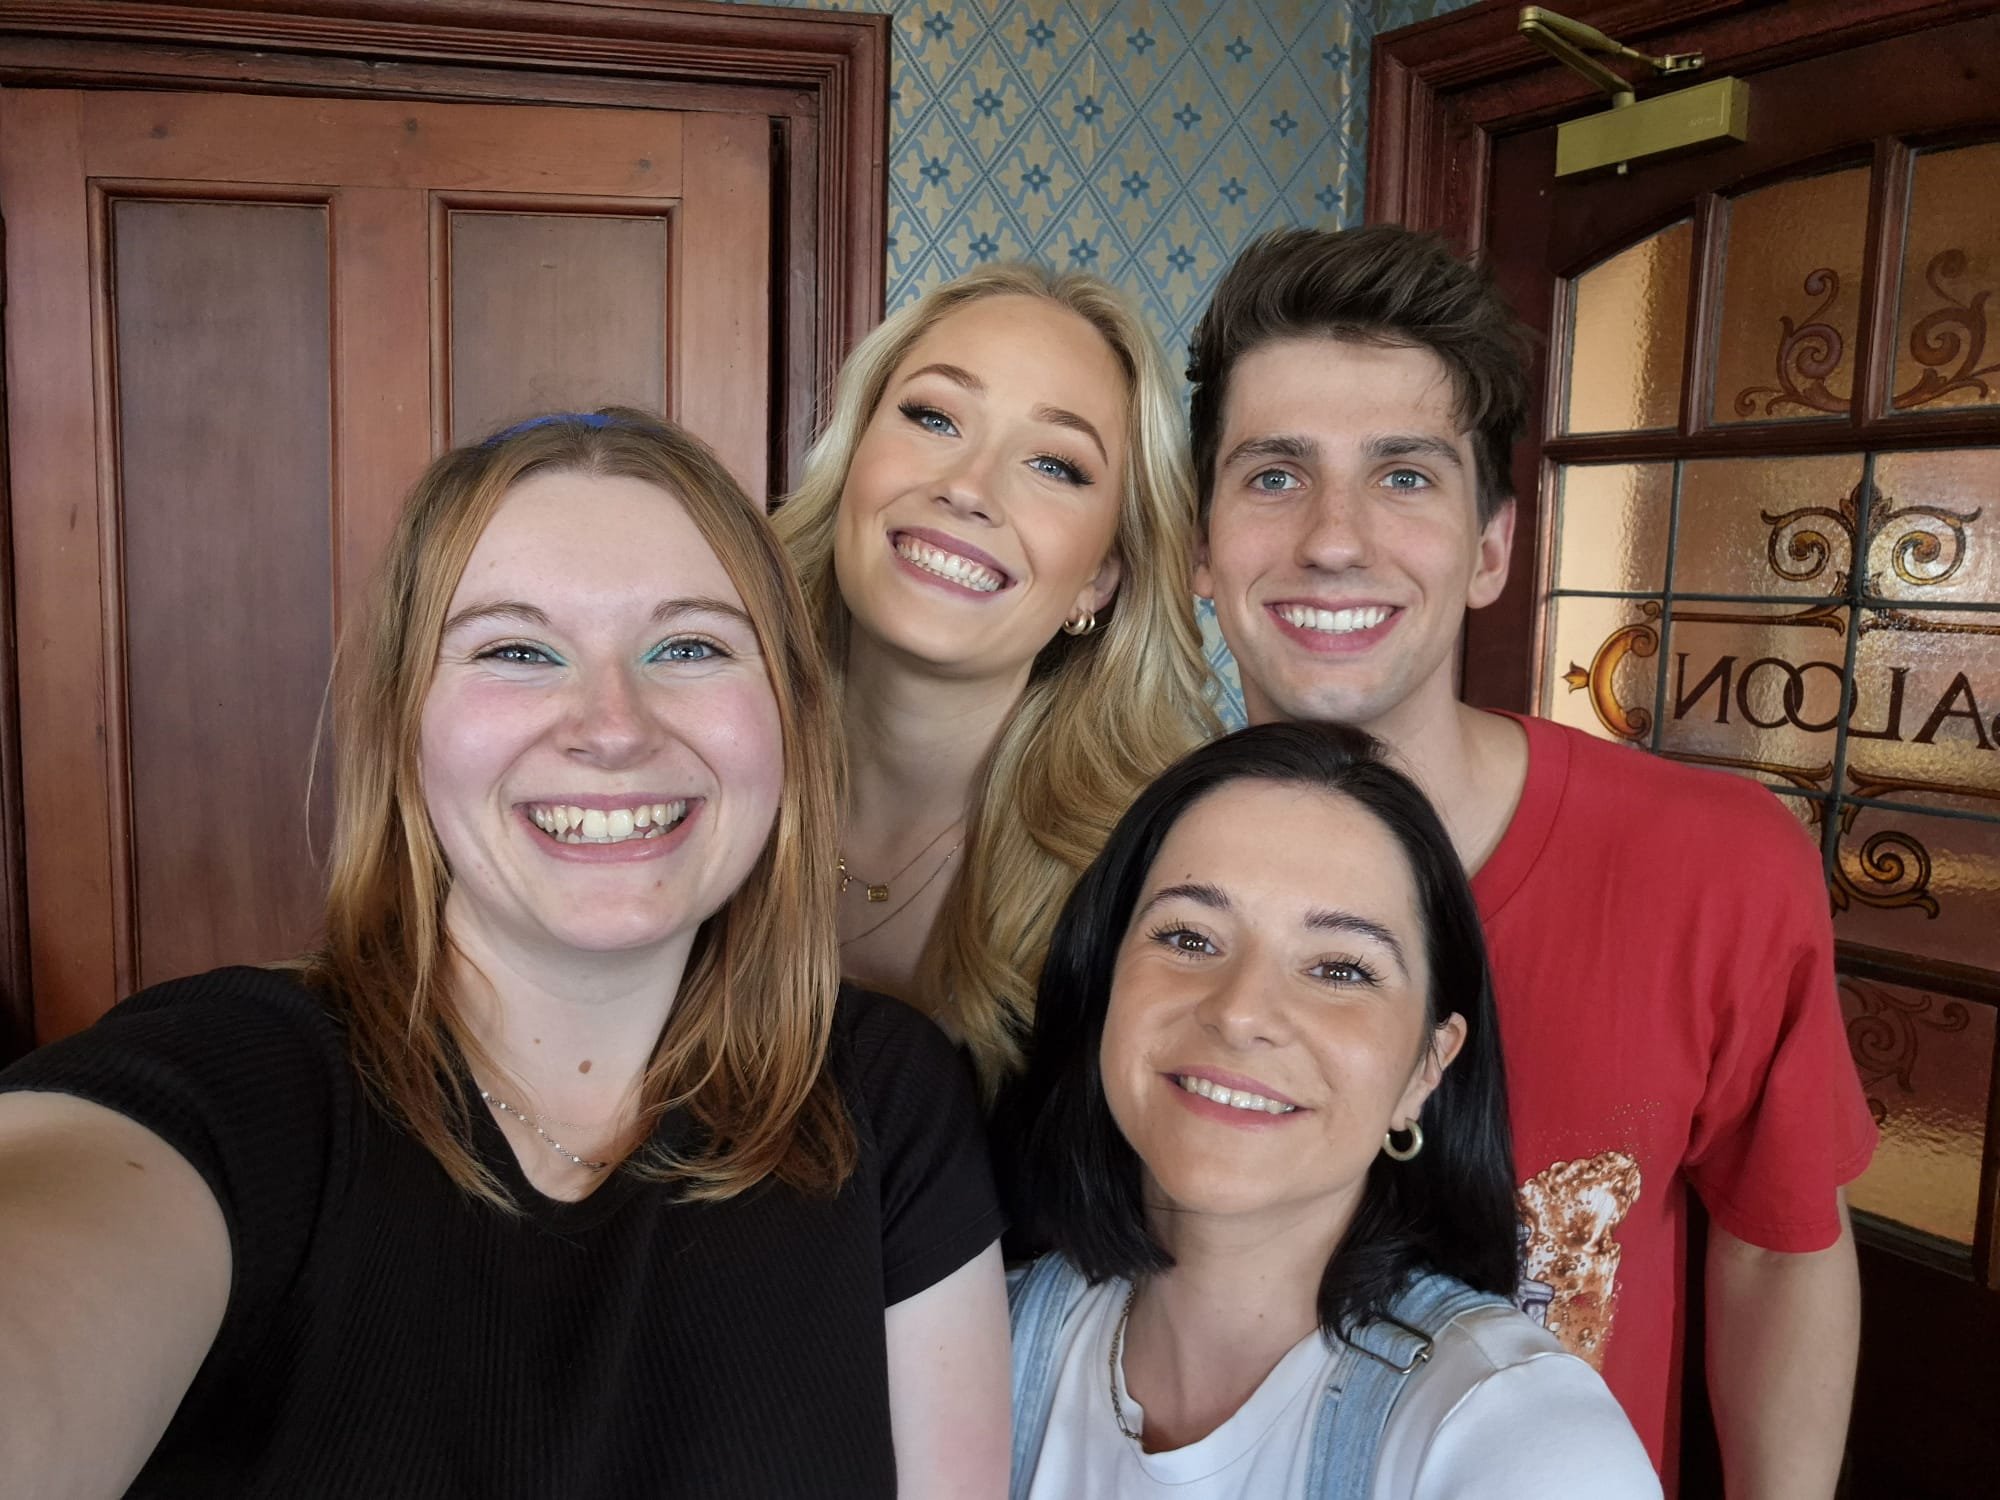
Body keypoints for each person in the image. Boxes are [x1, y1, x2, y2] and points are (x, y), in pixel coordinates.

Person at [0, 410, 1009, 1498]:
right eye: (516, 651)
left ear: (787, 717)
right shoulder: (238, 1088)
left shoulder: (889, 1098)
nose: (611, 725)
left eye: (689, 646)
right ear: (404, 726)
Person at [1186, 224, 1876, 1495]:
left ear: (1491, 547)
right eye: (1273, 476)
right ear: (1199, 542)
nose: (1333, 539)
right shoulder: (1124, 889)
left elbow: (1778, 1251)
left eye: (1404, 477)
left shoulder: (1716, 867)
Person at [999, 722, 1659, 1499]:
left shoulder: (1522, 1441)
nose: (1241, 1012)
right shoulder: (977, 1340)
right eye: (1188, 936)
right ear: (1103, 985)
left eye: (1341, 969)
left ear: (1426, 1067)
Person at [773, 264, 1217, 1096]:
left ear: (1102, 578)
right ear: (851, 463)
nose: (968, 488)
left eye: (1055, 464)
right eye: (934, 416)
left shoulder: (1154, 883)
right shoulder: (692, 768)